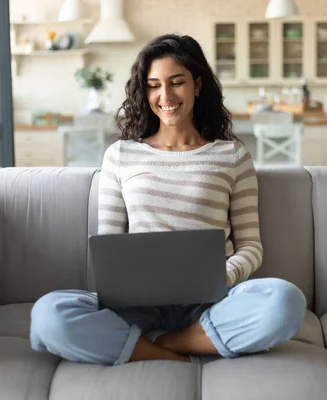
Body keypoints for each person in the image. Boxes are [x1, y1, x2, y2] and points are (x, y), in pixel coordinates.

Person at [30, 34, 307, 365]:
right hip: (136, 304)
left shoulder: (232, 155)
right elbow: (108, 241)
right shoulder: (120, 155)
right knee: (50, 314)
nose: (165, 96)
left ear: (197, 85)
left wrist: (224, 277)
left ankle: (163, 345)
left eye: (177, 82)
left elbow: (251, 246)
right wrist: (119, 283)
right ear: (144, 91)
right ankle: (184, 348)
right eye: (154, 85)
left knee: (285, 301)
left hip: (213, 301)